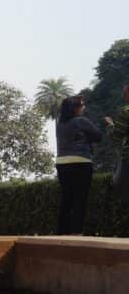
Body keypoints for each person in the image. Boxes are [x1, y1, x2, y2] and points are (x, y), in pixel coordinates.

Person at [54, 96, 104, 235]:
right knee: (79, 199)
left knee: (66, 199)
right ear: (74, 108)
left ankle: (61, 232)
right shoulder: (81, 121)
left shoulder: (60, 124)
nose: (84, 107)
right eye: (82, 105)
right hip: (81, 161)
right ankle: (76, 232)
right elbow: (98, 136)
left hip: (62, 163)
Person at [104, 84, 129, 205]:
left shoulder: (126, 111)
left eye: (125, 94)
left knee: (120, 186)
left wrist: (110, 125)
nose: (124, 97)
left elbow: (116, 136)